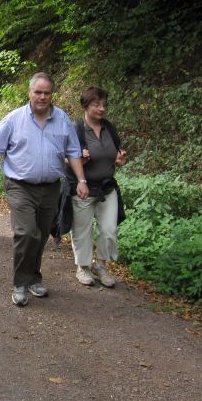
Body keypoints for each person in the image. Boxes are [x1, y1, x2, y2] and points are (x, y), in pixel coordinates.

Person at [0, 72, 89, 307]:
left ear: (52, 94)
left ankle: (33, 278)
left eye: (46, 93)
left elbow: (73, 152)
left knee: (40, 235)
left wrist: (81, 180)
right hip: (19, 186)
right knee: (27, 232)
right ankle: (20, 283)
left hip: (51, 188)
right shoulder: (13, 119)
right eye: (38, 92)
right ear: (29, 93)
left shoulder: (62, 120)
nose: (42, 97)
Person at [68, 87, 128, 288]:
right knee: (82, 231)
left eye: (104, 105)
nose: (102, 109)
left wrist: (119, 160)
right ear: (86, 106)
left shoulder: (109, 128)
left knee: (109, 230)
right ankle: (83, 267)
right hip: (83, 189)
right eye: (96, 105)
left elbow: (113, 153)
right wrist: (78, 161)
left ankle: (101, 266)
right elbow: (64, 159)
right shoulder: (76, 129)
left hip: (107, 188)